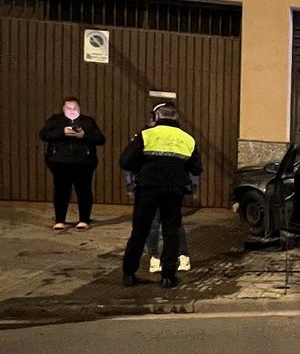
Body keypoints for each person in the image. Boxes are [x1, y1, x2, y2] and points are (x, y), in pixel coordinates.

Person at [120, 102, 202, 288]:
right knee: (171, 231)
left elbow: (125, 162)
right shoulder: (187, 138)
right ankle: (167, 277)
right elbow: (196, 168)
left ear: (156, 116)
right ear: (176, 117)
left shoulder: (146, 135)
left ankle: (129, 274)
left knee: (140, 231)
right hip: (174, 190)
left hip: (147, 189)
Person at [39, 97, 105, 230]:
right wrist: (62, 132)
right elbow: (43, 135)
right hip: (59, 162)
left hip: (84, 162)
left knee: (84, 191)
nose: (72, 111)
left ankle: (84, 220)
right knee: (61, 191)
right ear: (63, 109)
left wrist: (83, 135)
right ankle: (59, 220)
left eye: (75, 108)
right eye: (69, 108)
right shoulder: (55, 120)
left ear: (80, 108)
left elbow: (100, 139)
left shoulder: (88, 121)